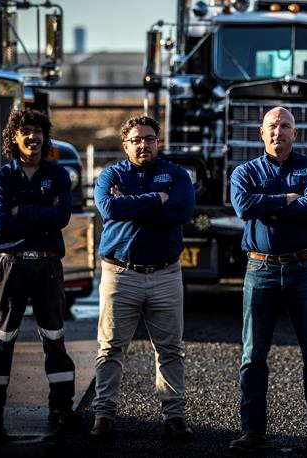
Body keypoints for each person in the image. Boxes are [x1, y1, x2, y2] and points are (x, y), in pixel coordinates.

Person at [228, 107, 307, 454]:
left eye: (285, 126)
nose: (278, 131)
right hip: (259, 270)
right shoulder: (244, 172)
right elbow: (243, 207)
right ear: (261, 133)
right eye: (272, 126)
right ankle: (252, 431)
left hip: (303, 268)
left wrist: (268, 206)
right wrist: (286, 200)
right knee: (252, 355)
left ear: (296, 133)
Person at [0, 109, 80, 434]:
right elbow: (2, 224)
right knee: (3, 339)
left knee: (54, 338)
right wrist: (41, 217)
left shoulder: (58, 175)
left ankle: (61, 408)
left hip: (48, 265)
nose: (33, 137)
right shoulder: (1, 178)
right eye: (26, 131)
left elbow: (62, 217)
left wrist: (23, 211)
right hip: (12, 265)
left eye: (38, 131)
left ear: (45, 137)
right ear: (14, 138)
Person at [90, 115, 196, 440]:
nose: (143, 145)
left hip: (166, 274)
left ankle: (174, 415)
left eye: (149, 139)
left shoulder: (176, 175)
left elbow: (182, 212)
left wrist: (129, 203)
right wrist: (156, 199)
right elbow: (109, 209)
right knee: (110, 348)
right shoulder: (110, 175)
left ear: (158, 142)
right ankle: (104, 414)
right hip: (120, 275)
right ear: (125, 145)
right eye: (136, 140)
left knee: (170, 349)